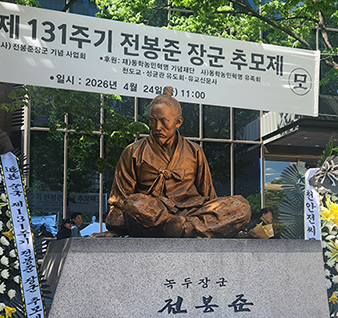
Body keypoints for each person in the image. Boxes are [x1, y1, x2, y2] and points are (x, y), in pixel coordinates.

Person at [105, 88, 251, 237]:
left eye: (164, 121)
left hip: (191, 210)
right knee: (133, 204)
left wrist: (218, 213)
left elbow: (209, 195)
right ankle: (180, 227)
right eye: (153, 121)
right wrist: (115, 229)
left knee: (241, 205)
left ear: (178, 122)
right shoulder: (133, 151)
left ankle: (182, 227)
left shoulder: (194, 151)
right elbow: (120, 197)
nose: (157, 127)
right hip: (153, 213)